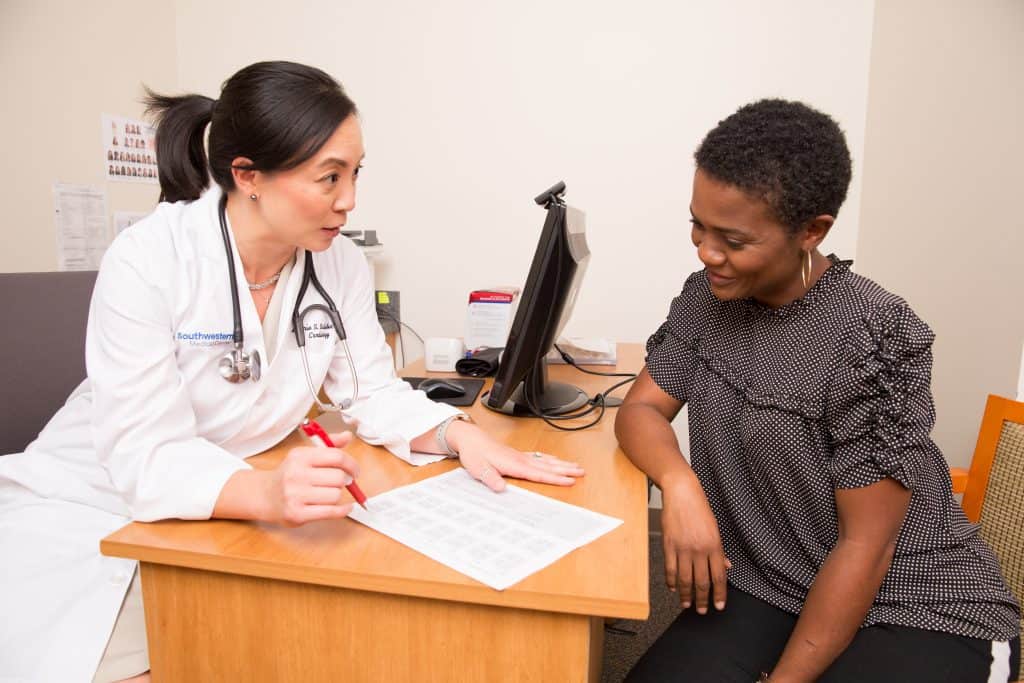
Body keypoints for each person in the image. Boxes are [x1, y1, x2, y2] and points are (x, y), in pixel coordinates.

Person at [0, 60, 584, 683]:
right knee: (160, 660)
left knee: (292, 639)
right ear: (247, 176)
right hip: (88, 499)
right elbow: (145, 455)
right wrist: (267, 494)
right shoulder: (149, 259)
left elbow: (372, 393)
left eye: (355, 173)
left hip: (227, 495)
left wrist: (457, 435)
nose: (349, 199)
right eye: (328, 177)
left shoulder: (340, 266)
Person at [616, 99, 1020, 682]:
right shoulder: (707, 298)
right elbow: (642, 409)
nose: (707, 252)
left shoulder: (874, 334)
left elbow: (866, 548)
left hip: (914, 602)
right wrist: (680, 487)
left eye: (732, 238)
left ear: (812, 230)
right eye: (698, 226)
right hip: (769, 583)